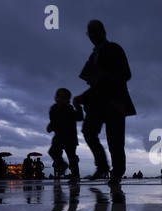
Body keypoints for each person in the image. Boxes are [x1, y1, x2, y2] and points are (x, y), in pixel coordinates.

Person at [73, 20, 136, 185]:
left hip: (114, 101)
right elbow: (95, 85)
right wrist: (82, 96)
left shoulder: (114, 49)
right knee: (88, 131)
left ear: (103, 32)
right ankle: (102, 165)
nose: (92, 36)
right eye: (90, 33)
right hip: (98, 101)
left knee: (114, 140)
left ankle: (116, 172)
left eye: (95, 32)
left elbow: (125, 74)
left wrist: (101, 80)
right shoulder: (93, 56)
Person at [47, 88, 83, 183]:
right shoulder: (53, 109)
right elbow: (54, 121)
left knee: (71, 157)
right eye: (58, 96)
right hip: (58, 136)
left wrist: (78, 107)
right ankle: (62, 164)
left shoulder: (69, 109)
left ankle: (75, 176)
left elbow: (79, 117)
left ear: (67, 100)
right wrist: (50, 126)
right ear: (55, 97)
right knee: (52, 151)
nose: (60, 99)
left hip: (69, 137)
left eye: (63, 97)